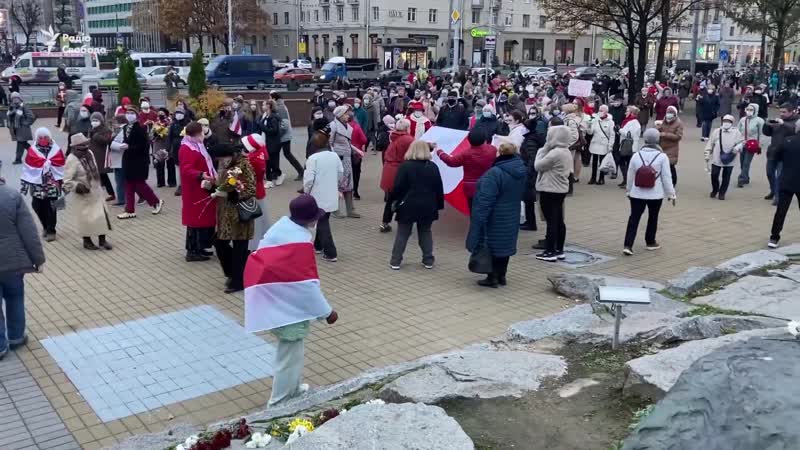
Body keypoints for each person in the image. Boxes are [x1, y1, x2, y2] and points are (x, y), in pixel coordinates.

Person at [244, 195, 338, 407]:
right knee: (288, 356)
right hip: (288, 308)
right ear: (310, 219)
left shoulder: (281, 229)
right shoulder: (299, 242)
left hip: (275, 297)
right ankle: (279, 401)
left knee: (293, 354)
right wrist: (327, 312)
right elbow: (305, 285)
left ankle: (293, 390)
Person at [466, 142, 526, 287]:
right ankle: (502, 275)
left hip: (495, 216)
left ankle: (492, 277)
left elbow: (485, 199)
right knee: (505, 245)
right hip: (512, 213)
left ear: (499, 153)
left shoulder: (495, 173)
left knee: (492, 245)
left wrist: (478, 219)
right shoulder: (521, 169)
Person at [0, 173, 45, 360]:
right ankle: (16, 337)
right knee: (15, 297)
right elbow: (28, 230)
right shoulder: (11, 195)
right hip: (13, 262)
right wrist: (38, 259)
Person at [389, 141, 444, 270]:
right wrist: (439, 205)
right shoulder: (433, 167)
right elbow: (439, 188)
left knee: (403, 233)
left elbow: (397, 188)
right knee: (425, 231)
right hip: (428, 204)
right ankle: (428, 260)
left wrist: (394, 201)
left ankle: (395, 261)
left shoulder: (405, 166)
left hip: (408, 204)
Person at [209, 142, 255, 293]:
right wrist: (210, 186)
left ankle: (238, 281)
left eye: (222, 159)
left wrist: (231, 194)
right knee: (219, 243)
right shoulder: (225, 166)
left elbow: (250, 189)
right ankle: (233, 273)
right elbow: (221, 184)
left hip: (240, 214)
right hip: (225, 215)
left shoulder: (243, 165)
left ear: (229, 155)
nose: (221, 163)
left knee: (239, 248)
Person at [623, 129, 675, 255]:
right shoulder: (662, 157)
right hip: (655, 194)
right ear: (658, 140)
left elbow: (630, 174)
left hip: (637, 193)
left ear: (644, 140)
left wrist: (629, 190)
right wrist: (671, 194)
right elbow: (666, 177)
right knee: (653, 217)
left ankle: (628, 245)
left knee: (634, 218)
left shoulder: (636, 155)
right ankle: (650, 242)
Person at [63, 133, 113, 250]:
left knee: (101, 216)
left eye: (86, 143)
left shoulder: (89, 153)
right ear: (76, 146)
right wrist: (77, 186)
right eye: (83, 144)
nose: (86, 146)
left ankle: (102, 240)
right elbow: (66, 180)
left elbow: (95, 168)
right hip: (83, 194)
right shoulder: (72, 159)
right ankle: (87, 241)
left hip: (96, 191)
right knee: (86, 219)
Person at [117, 107, 165, 219]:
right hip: (128, 160)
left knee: (140, 184)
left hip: (138, 161)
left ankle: (156, 202)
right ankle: (130, 210)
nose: (129, 115)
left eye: (131, 113)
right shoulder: (125, 128)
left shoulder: (140, 128)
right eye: (127, 113)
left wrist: (130, 147)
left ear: (136, 115)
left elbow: (144, 145)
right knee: (128, 185)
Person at [179, 122, 217, 262]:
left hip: (202, 187)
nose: (203, 134)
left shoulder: (197, 145)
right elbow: (186, 169)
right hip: (194, 189)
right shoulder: (187, 148)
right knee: (194, 220)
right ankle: (192, 250)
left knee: (201, 218)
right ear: (195, 134)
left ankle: (200, 247)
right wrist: (201, 174)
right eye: (201, 132)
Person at [303, 128, 344, 261]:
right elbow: (340, 173)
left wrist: (306, 192)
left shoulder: (312, 159)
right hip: (330, 193)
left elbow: (309, 180)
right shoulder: (334, 156)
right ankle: (318, 246)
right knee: (324, 218)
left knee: (322, 221)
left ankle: (331, 252)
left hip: (317, 195)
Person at [534, 125, 573, 262]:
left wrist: (543, 149)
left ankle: (550, 251)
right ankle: (559, 249)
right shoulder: (566, 151)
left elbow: (538, 165)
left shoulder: (555, 153)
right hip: (560, 189)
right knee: (559, 220)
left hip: (549, 189)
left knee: (552, 221)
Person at [436, 128, 496, 211]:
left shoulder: (466, 154)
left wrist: (439, 152)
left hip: (470, 187)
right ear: (484, 139)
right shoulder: (492, 150)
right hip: (488, 184)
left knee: (473, 210)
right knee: (487, 209)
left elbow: (451, 162)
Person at [768, 122, 800, 248]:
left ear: (797, 128)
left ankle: (774, 238)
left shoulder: (787, 141)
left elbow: (776, 157)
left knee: (781, 211)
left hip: (786, 181)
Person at [379, 119, 414, 231]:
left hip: (389, 170)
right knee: (403, 198)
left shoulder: (393, 136)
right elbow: (415, 151)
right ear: (407, 128)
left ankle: (385, 222)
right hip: (400, 171)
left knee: (390, 199)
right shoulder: (408, 139)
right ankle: (403, 223)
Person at [330, 105, 361, 218]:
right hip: (338, 158)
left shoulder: (348, 126)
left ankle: (350, 209)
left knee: (348, 184)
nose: (348, 115)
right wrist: (334, 156)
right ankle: (335, 209)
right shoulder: (333, 126)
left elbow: (348, 143)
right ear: (340, 115)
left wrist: (355, 151)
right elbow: (329, 143)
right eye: (346, 113)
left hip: (347, 158)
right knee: (337, 184)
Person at [763, 104, 798, 204]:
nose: (781, 114)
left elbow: (794, 130)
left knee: (780, 176)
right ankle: (773, 191)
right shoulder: (778, 121)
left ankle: (778, 197)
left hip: (785, 154)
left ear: (792, 112)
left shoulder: (796, 121)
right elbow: (767, 133)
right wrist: (767, 125)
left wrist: (783, 124)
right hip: (773, 151)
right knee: (769, 173)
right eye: (780, 112)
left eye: (784, 112)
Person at [242, 133, 270, 251]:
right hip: (258, 190)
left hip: (253, 192)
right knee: (262, 219)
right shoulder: (259, 155)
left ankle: (254, 245)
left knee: (255, 222)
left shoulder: (253, 160)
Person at [705, 115, 743, 200]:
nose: (726, 123)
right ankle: (715, 189)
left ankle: (722, 193)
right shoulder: (717, 131)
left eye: (728, 121)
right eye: (725, 121)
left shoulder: (736, 132)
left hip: (730, 158)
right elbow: (710, 143)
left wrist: (737, 148)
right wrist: (707, 154)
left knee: (726, 176)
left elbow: (741, 142)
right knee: (714, 175)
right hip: (717, 157)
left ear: (732, 123)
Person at [271, 91, 305, 182]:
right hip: (284, 136)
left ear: (274, 99)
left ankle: (300, 171)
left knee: (284, 154)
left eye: (270, 98)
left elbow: (285, 124)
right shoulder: (280, 106)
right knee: (282, 154)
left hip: (284, 136)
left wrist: (278, 135)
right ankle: (300, 171)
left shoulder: (280, 108)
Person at [87, 112, 115, 201]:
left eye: (96, 120)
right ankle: (98, 193)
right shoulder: (91, 130)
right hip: (93, 155)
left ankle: (111, 193)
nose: (94, 122)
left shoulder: (105, 130)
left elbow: (106, 141)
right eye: (92, 120)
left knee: (103, 176)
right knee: (96, 176)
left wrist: (96, 136)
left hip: (102, 157)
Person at [737, 103, 764, 188]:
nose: (749, 111)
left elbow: (761, 134)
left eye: (751, 110)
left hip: (752, 144)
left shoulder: (759, 121)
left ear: (755, 110)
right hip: (742, 143)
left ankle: (741, 179)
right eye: (747, 109)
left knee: (746, 162)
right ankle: (746, 177)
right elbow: (738, 131)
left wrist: (759, 145)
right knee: (742, 162)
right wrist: (737, 142)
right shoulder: (742, 120)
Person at [587, 104, 615, 185]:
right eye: (599, 110)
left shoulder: (610, 122)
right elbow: (590, 132)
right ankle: (593, 178)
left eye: (602, 110)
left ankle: (601, 178)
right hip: (595, 143)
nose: (600, 112)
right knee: (594, 162)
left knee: (602, 162)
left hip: (604, 144)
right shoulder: (595, 119)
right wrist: (589, 125)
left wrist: (610, 146)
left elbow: (612, 135)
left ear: (606, 112)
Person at [656, 105, 683, 186]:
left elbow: (678, 137)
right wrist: (657, 128)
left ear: (675, 114)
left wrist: (665, 134)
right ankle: (662, 182)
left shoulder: (678, 123)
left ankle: (673, 183)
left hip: (672, 148)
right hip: (661, 147)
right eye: (668, 112)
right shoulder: (663, 121)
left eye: (671, 113)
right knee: (661, 166)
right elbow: (659, 130)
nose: (669, 114)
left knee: (670, 167)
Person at [259, 100, 283, 187]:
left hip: (273, 144)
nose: (262, 106)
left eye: (263, 105)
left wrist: (262, 126)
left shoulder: (273, 118)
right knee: (268, 162)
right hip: (267, 143)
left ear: (268, 106)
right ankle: (275, 177)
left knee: (271, 162)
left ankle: (272, 179)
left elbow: (273, 130)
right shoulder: (265, 116)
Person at [618, 106, 642, 188]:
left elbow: (629, 134)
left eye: (627, 111)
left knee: (626, 164)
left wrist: (620, 130)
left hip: (630, 147)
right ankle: (626, 180)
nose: (625, 113)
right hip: (626, 146)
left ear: (632, 113)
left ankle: (628, 182)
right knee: (624, 163)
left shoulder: (634, 122)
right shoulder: (628, 121)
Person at [8, 92, 35, 165]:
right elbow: (10, 116)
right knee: (24, 144)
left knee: (20, 143)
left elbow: (31, 116)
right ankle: (36, 154)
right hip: (16, 129)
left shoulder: (24, 106)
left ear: (20, 98)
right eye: (13, 98)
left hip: (23, 129)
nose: (15, 99)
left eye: (16, 98)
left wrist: (25, 123)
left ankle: (18, 159)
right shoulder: (12, 107)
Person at [166, 107, 190, 190]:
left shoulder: (188, 123)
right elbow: (169, 137)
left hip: (186, 147)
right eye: (177, 113)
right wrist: (168, 148)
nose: (178, 115)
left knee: (186, 166)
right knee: (178, 167)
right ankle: (180, 185)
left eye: (180, 113)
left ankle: (186, 184)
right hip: (176, 148)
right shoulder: (173, 124)